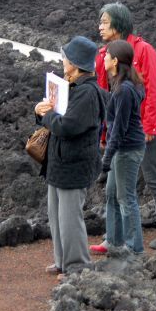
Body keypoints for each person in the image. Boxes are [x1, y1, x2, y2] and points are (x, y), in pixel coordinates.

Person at [95, 2, 156, 250]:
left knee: (152, 178)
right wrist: (104, 132)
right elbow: (105, 94)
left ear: (118, 24)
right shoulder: (104, 54)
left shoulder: (143, 50)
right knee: (115, 190)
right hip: (118, 131)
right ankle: (114, 238)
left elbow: (153, 89)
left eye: (105, 22)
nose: (100, 27)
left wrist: (150, 126)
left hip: (139, 130)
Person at [35, 36, 106, 278]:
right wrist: (42, 112)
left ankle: (77, 266)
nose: (62, 60)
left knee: (70, 218)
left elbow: (67, 126)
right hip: (60, 161)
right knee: (56, 215)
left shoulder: (87, 93)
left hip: (74, 164)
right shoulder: (73, 86)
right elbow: (59, 122)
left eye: (65, 57)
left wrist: (46, 116)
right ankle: (62, 261)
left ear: (74, 64)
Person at [92, 40, 147, 254]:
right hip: (123, 149)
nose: (103, 58)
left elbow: (119, 128)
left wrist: (107, 158)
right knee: (112, 193)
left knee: (126, 198)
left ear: (115, 61)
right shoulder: (122, 84)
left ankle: (134, 249)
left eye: (106, 55)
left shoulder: (124, 89)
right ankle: (114, 241)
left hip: (128, 149)